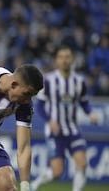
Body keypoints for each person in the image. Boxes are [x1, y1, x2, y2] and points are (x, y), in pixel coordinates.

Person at [31, 46, 98, 191]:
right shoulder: (49, 81)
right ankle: (35, 184)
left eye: (67, 57)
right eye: (61, 57)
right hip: (55, 132)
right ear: (56, 60)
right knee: (57, 172)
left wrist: (91, 113)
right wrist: (50, 120)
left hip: (73, 130)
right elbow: (40, 106)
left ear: (72, 59)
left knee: (82, 164)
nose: (64, 60)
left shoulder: (79, 81)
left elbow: (84, 102)